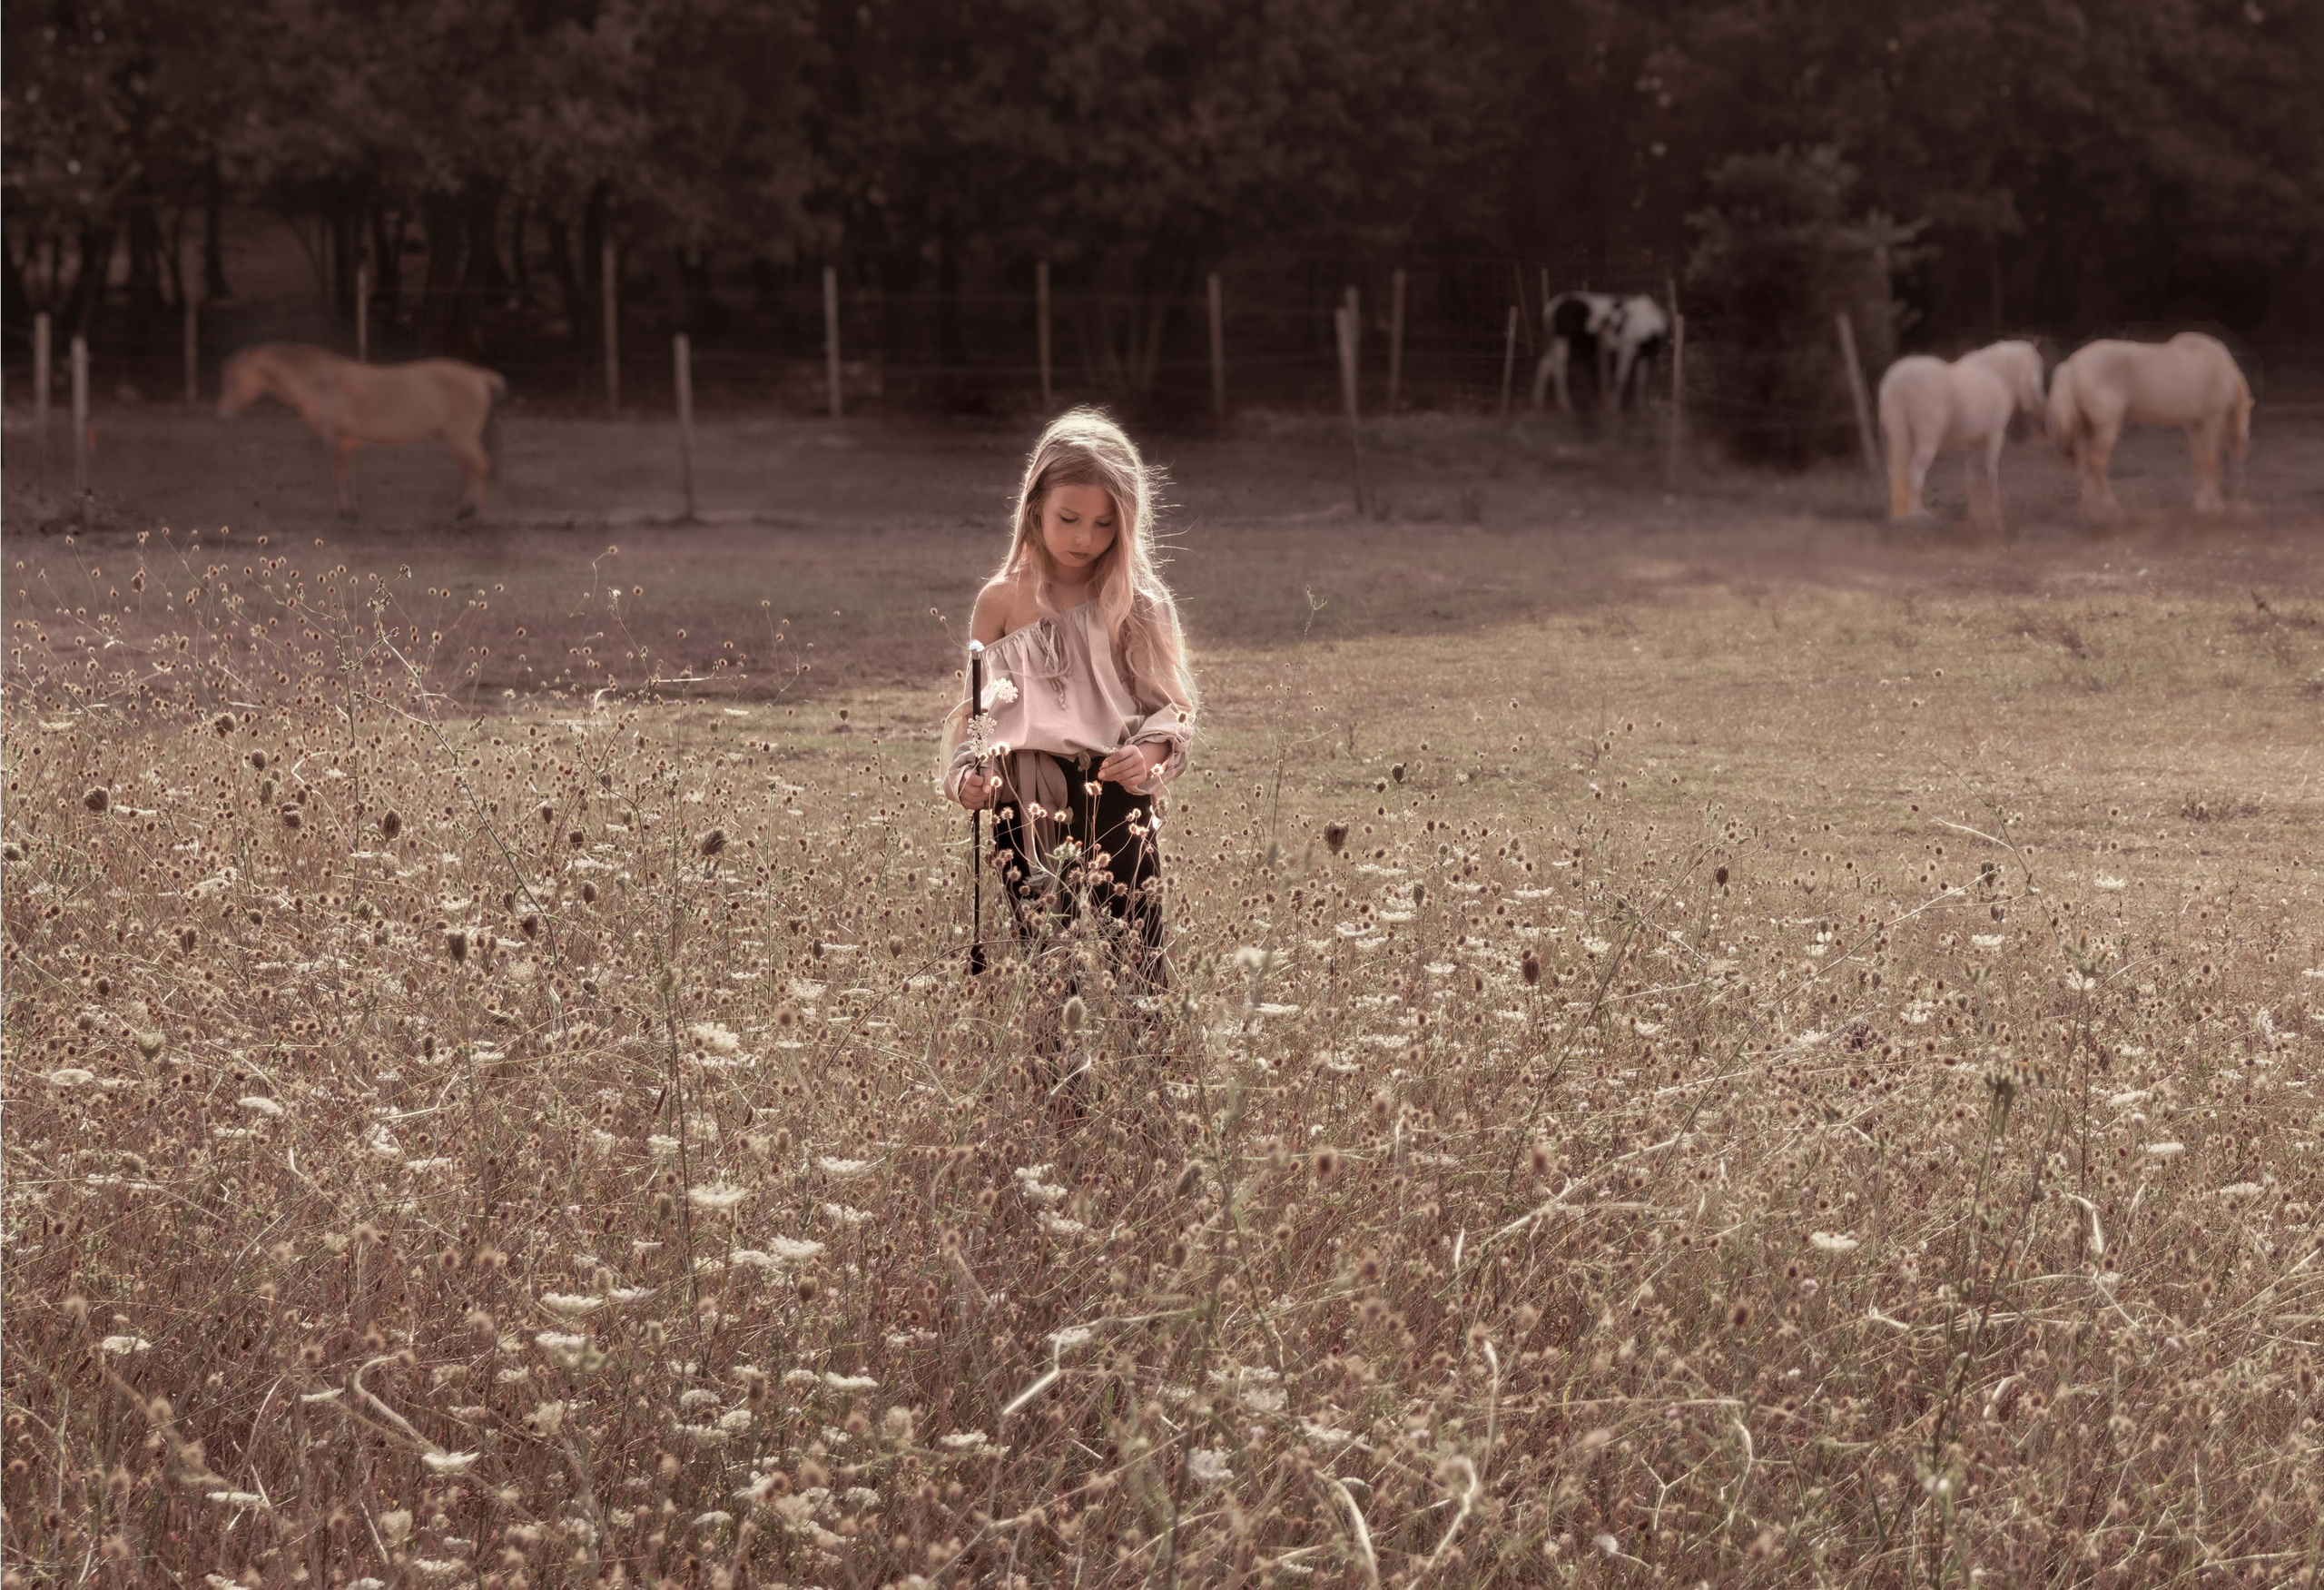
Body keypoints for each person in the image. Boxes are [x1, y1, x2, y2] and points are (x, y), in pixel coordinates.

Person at [941, 408, 1196, 991]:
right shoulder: (1000, 602)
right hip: (1021, 795)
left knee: (1138, 954)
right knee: (1047, 965)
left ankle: (1149, 1072)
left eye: (1106, 524)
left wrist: (1151, 758)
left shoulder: (1138, 602)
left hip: (1114, 787)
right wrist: (966, 780)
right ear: (1034, 506)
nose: (1086, 538)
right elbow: (975, 720)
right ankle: (1057, 1077)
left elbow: (1173, 710)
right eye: (1070, 518)